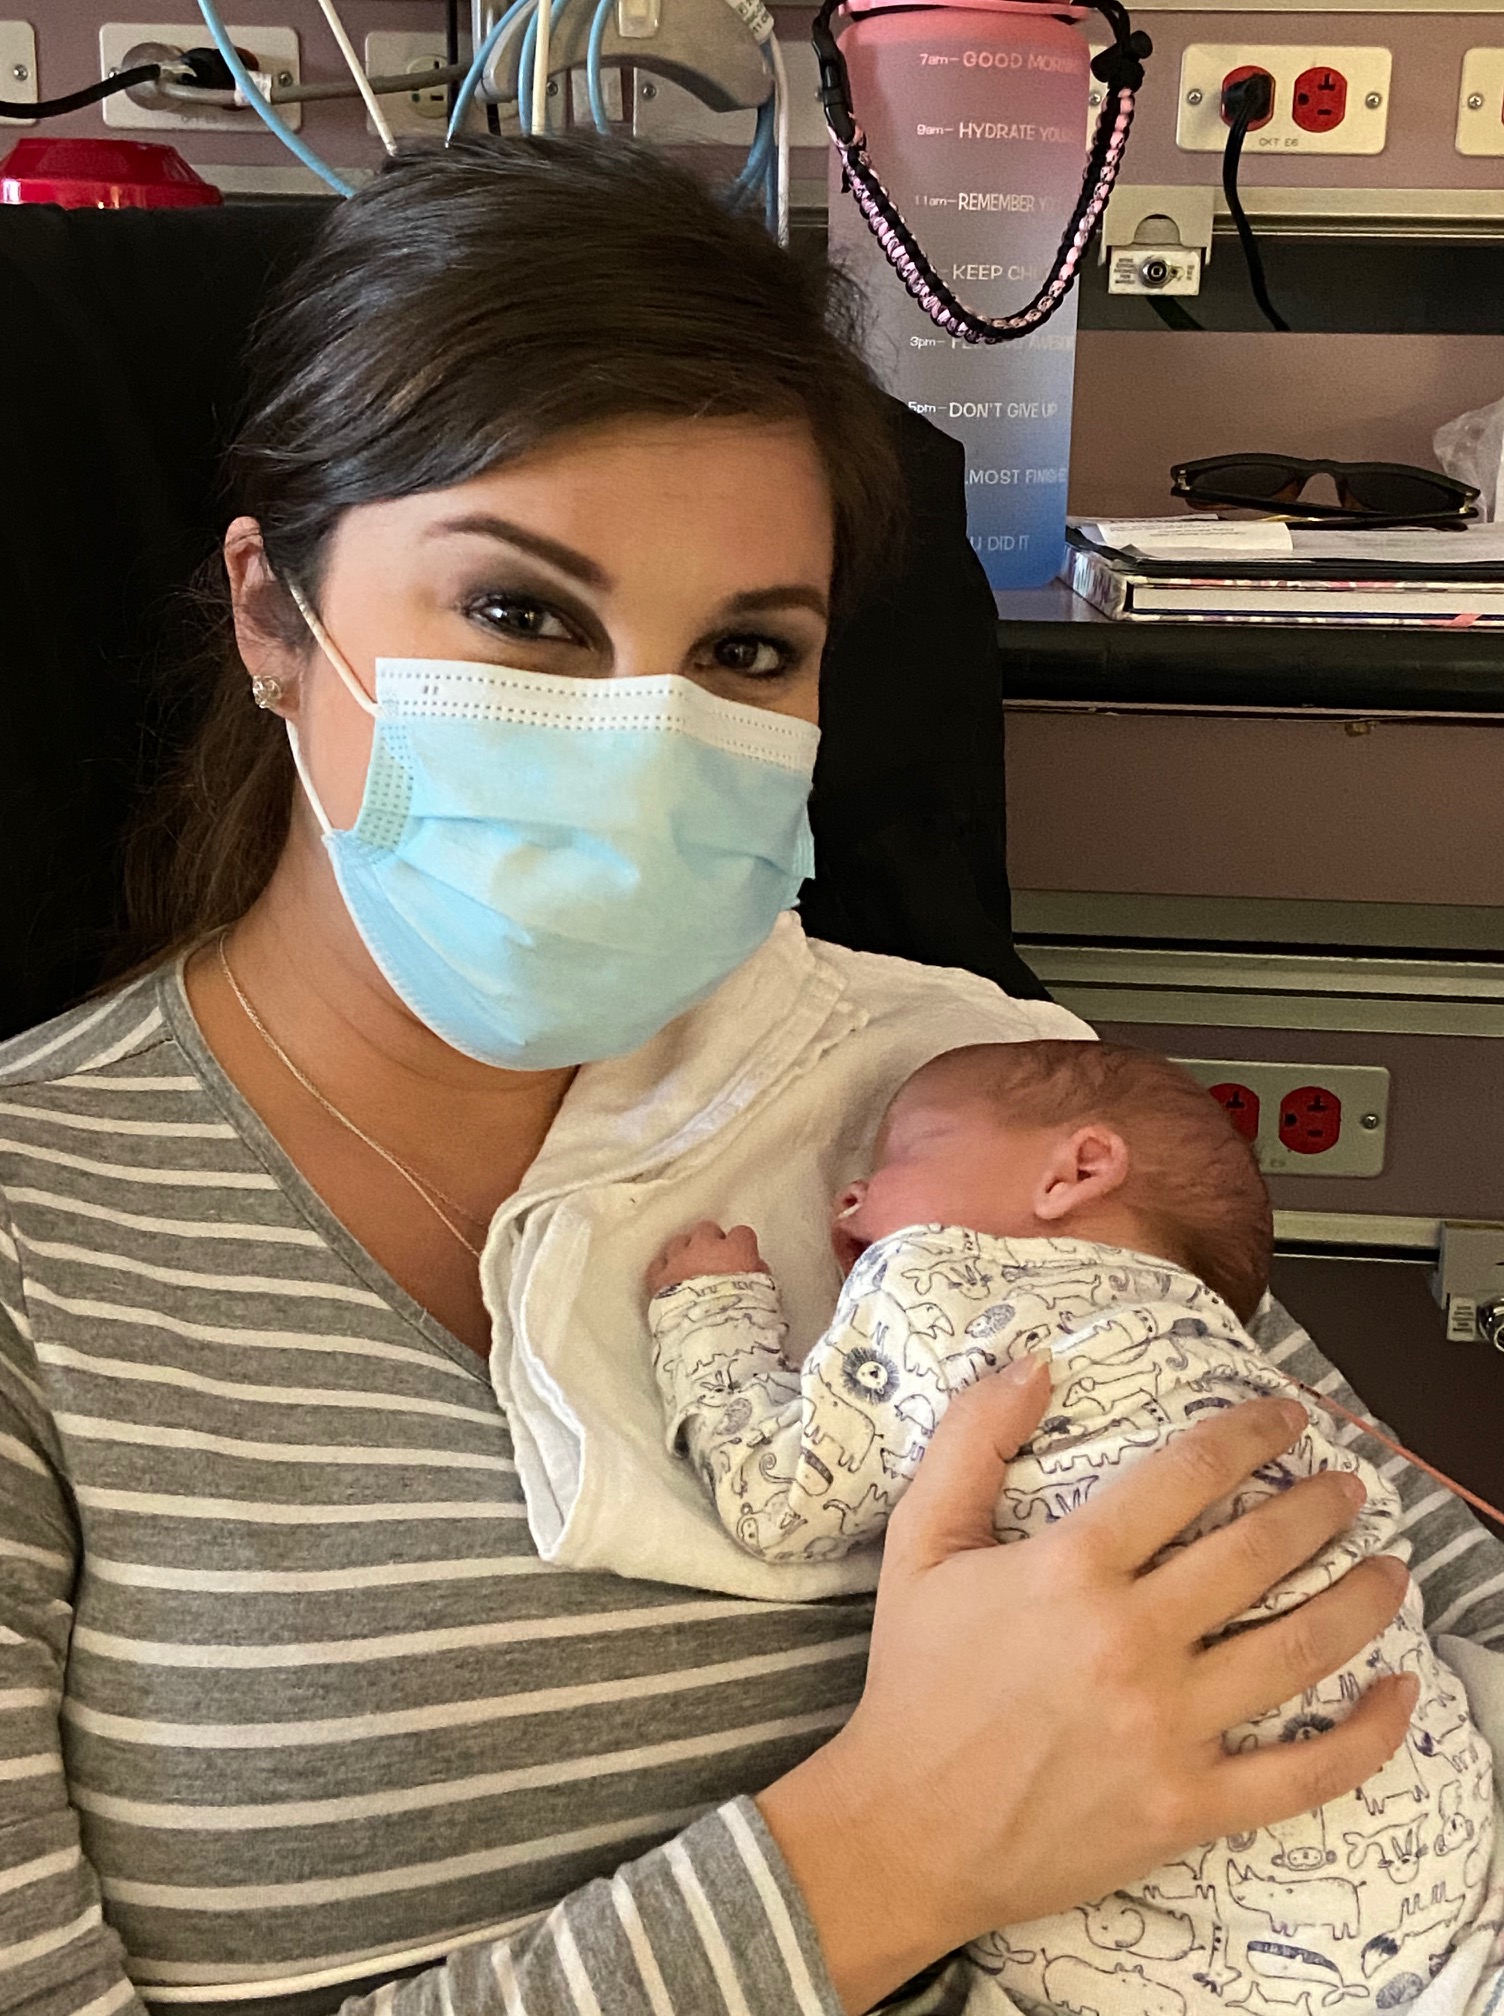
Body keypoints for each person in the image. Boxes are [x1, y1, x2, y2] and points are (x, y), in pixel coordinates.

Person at [0, 136, 1498, 2016]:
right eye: (523, 613)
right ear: (269, 616)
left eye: (744, 648)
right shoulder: (37, 1243)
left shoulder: (945, 1099)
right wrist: (895, 1845)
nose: (645, 736)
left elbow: (1423, 1596)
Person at [645, 1040, 1497, 2011]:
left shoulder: (936, 1277)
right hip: (1433, 1838)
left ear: (1077, 1170)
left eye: (900, 1156)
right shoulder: (1237, 1351)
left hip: (1193, 1931)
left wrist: (708, 1311)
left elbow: (780, 1497)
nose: (849, 1197)